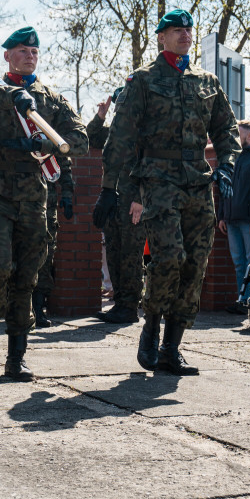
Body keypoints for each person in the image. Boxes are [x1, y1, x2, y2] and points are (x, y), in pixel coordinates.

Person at [96, 8, 240, 375]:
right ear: (161, 37)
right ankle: (151, 324)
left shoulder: (207, 80)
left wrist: (226, 165)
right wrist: (109, 189)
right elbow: (121, 139)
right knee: (170, 257)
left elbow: (226, 130)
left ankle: (172, 346)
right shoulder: (142, 80)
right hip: (158, 182)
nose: (185, 35)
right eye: (176, 30)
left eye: (188, 29)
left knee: (195, 264)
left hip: (197, 181)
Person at [0, 25, 88, 381]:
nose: (29, 55)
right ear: (7, 55)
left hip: (33, 197)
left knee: (27, 275)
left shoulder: (50, 98)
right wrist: (13, 98)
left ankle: (17, 355)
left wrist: (48, 145)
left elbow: (79, 138)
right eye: (22, 50)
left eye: (34, 51)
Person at [90, 87, 146, 325]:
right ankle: (120, 303)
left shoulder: (143, 129)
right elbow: (91, 138)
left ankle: (130, 306)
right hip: (114, 199)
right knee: (114, 252)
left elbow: (150, 165)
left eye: (125, 101)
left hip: (133, 200)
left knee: (130, 256)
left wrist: (141, 199)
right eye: (119, 102)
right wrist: (101, 116)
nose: (121, 106)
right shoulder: (116, 131)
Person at [217, 119, 250, 301]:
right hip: (231, 220)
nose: (233, 137)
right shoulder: (232, 156)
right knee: (239, 263)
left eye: (237, 134)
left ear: (249, 135)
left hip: (249, 221)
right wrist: (222, 216)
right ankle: (242, 300)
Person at [33, 157, 74, 327]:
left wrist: (67, 195)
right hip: (19, 204)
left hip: (46, 210)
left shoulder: (47, 134)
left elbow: (63, 166)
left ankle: (37, 309)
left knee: (45, 258)